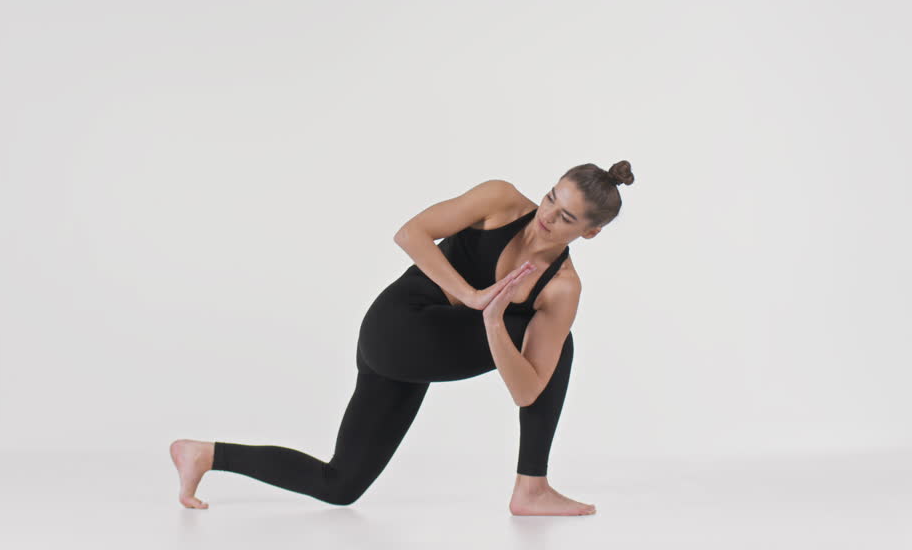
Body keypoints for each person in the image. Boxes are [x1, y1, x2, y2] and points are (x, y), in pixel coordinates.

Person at [171, 161, 634, 515]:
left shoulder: (561, 286)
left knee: (341, 486)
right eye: (551, 197)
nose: (547, 215)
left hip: (422, 356)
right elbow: (411, 233)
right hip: (395, 328)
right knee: (551, 342)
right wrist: (474, 298)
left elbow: (527, 391)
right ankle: (531, 485)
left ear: (590, 232)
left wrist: (494, 322)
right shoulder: (501, 201)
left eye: (566, 216)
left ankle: (204, 455)